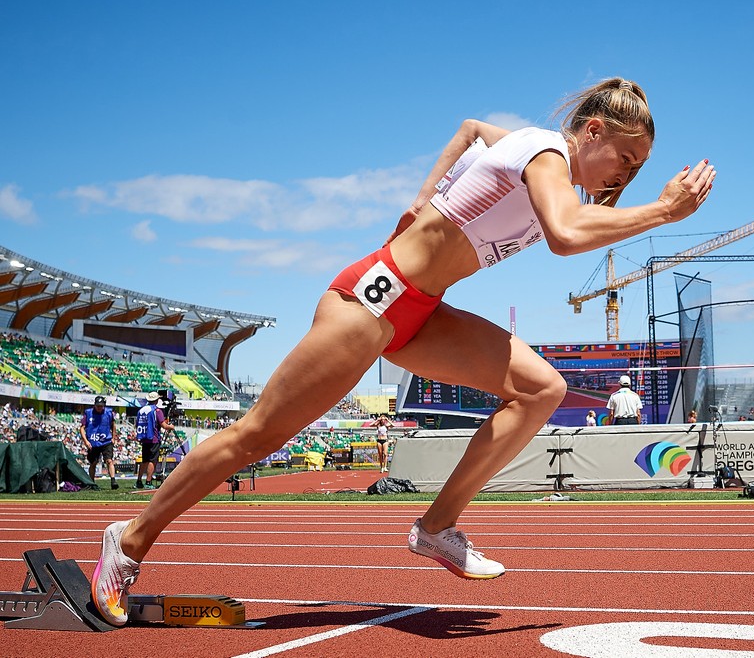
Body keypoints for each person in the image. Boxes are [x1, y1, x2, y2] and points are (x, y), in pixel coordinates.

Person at [91, 77, 715, 625]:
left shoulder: (539, 157)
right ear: (593, 130)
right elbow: (565, 236)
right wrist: (662, 210)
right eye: (626, 159)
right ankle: (130, 540)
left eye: (638, 169)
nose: (627, 176)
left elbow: (472, 129)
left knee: (541, 390)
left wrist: (422, 198)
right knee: (256, 438)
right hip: (370, 302)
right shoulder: (547, 153)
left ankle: (436, 528)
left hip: (420, 312)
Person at [134, 392, 175, 489]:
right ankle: (148, 482)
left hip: (144, 438)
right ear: (156, 400)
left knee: (144, 461)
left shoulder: (141, 410)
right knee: (152, 461)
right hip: (153, 439)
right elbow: (164, 426)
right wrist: (171, 426)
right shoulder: (157, 411)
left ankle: (139, 481)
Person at [80, 395, 118, 490]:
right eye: (98, 406)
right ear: (94, 405)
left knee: (109, 460)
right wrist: (86, 441)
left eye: (101, 406)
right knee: (93, 463)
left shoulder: (109, 413)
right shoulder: (88, 413)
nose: (99, 408)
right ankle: (91, 482)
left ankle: (113, 480)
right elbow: (82, 427)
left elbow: (113, 425)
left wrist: (113, 437)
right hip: (93, 442)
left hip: (106, 441)